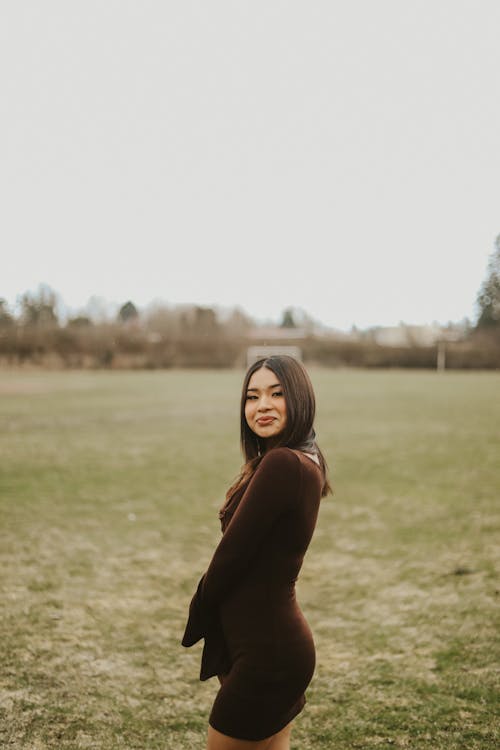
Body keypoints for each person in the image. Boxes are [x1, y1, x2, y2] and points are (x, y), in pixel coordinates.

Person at [182, 355, 331, 750]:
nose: (262, 405)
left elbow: (230, 557)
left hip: (268, 655)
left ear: (300, 399)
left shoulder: (284, 463)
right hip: (274, 648)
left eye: (276, 394)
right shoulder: (302, 457)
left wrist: (200, 609)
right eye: (252, 396)